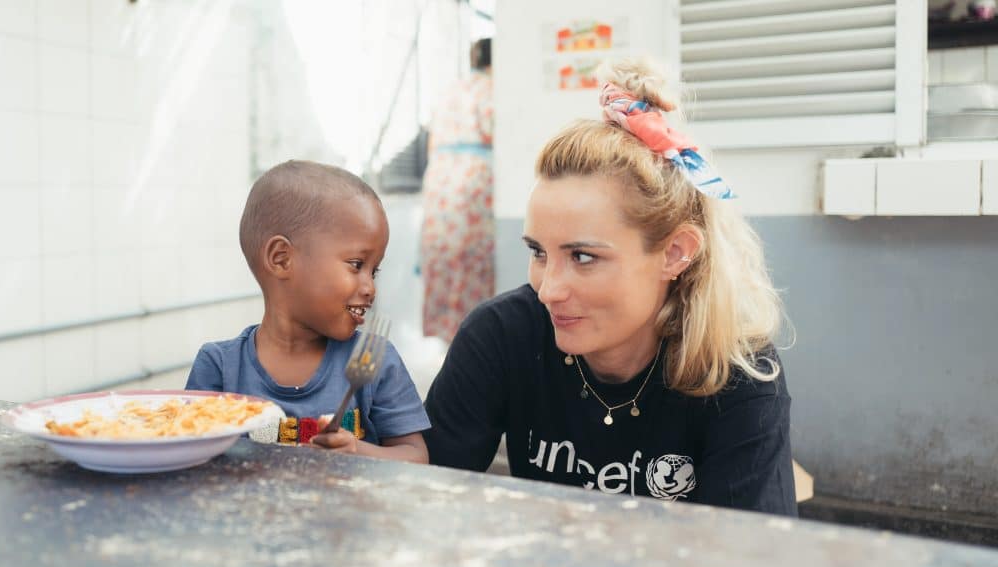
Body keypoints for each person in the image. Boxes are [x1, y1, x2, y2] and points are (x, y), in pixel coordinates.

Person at [423, 58, 797, 515]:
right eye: (539, 253)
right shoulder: (501, 336)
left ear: (675, 252)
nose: (548, 290)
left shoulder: (736, 370)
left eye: (583, 257)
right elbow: (425, 488)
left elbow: (746, 559)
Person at [186, 160, 430, 463]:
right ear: (281, 259)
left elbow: (416, 457)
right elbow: (192, 456)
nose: (370, 287)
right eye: (356, 265)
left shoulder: (375, 361)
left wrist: (357, 450)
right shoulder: (220, 368)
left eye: (374, 271)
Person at [419, 38, 495, 343]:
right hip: (472, 180)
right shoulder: (491, 89)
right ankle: (471, 337)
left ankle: (446, 335)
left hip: (439, 180)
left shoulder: (451, 89)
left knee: (443, 257)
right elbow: (496, 131)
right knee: (473, 259)